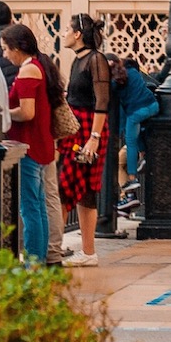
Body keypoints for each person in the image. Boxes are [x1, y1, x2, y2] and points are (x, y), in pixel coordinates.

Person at [0, 22, 60, 262]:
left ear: (17, 48)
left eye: (6, 49)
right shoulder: (39, 66)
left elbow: (27, 112)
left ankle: (34, 261)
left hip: (28, 146)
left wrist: (4, 110)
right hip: (41, 144)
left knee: (30, 207)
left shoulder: (27, 71)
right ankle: (40, 259)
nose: (4, 54)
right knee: (39, 205)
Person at [56, 14, 111, 267]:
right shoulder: (78, 60)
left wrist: (94, 138)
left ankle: (56, 248)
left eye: (67, 28)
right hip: (77, 127)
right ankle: (87, 251)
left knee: (67, 187)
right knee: (78, 189)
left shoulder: (96, 59)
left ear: (78, 34)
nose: (64, 33)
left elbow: (102, 100)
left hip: (89, 128)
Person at [113, 57, 159, 216]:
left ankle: (132, 179)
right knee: (134, 132)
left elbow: (119, 111)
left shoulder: (115, 82)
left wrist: (117, 131)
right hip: (153, 106)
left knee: (130, 140)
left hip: (136, 112)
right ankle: (128, 198)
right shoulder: (134, 72)